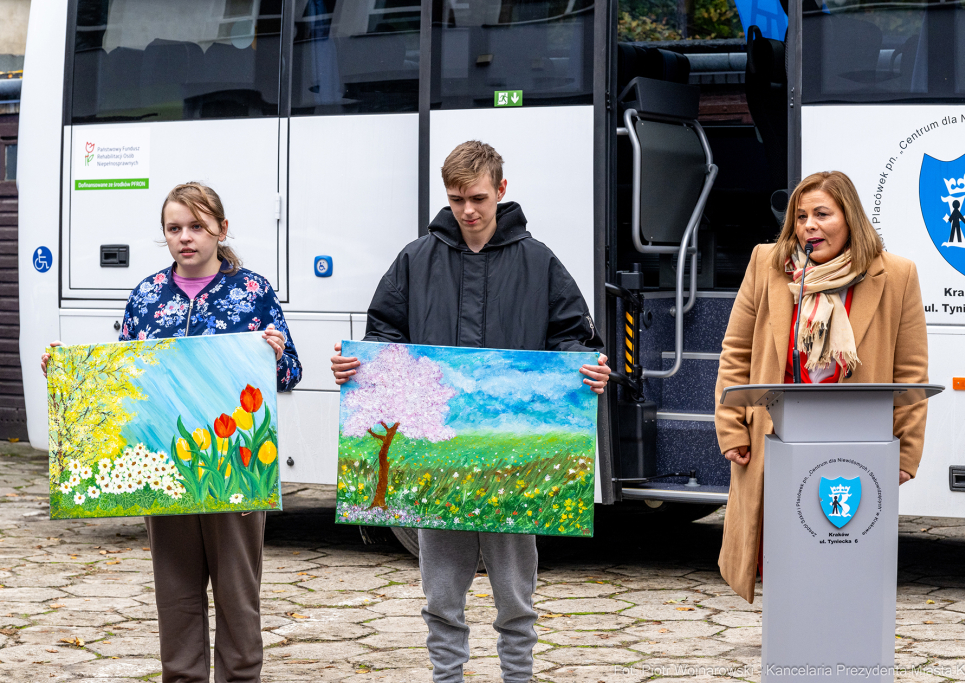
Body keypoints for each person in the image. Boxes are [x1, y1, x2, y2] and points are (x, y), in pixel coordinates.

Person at [331, 141, 609, 683]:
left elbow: (572, 336)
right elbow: (384, 334)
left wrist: (587, 365)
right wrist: (357, 366)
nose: (468, 210)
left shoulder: (539, 261)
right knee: (440, 595)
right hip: (435, 462)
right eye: (456, 199)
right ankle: (447, 677)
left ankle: (518, 677)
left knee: (515, 596)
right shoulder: (416, 259)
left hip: (512, 463)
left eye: (478, 198)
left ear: (501, 190)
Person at [42, 181, 302, 683]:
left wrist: (274, 355)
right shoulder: (146, 295)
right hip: (164, 469)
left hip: (235, 470)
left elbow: (291, 371)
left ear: (221, 230)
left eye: (197, 227)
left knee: (237, 592)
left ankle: (240, 676)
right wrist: (67, 371)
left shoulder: (253, 291)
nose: (185, 237)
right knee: (175, 593)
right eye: (174, 228)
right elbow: (124, 374)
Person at [713, 170, 928, 603]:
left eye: (822, 214)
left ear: (850, 217)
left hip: (857, 441)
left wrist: (906, 452)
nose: (809, 225)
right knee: (779, 554)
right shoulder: (768, 264)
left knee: (843, 554)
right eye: (801, 216)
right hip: (775, 437)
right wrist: (731, 428)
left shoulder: (897, 275)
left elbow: (910, 372)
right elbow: (736, 351)